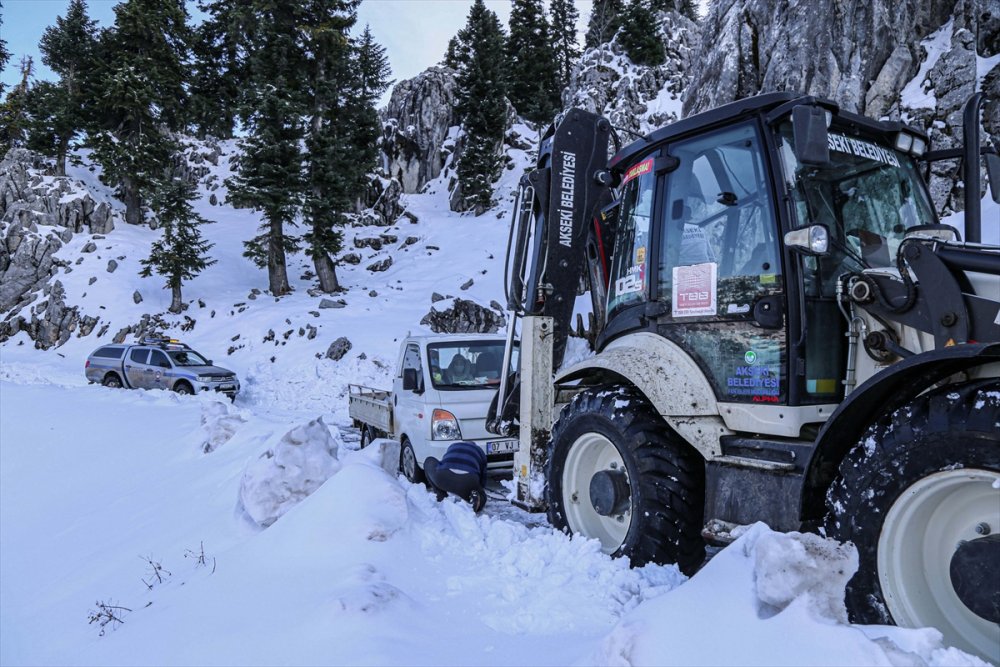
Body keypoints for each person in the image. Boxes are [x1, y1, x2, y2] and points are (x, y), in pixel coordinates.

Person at [424, 441, 488, 512]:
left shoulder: (452, 446)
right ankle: (477, 500)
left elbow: (443, 462)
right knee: (482, 495)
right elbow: (483, 477)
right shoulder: (479, 451)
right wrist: (478, 489)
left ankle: (440, 494)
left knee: (428, 460)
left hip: (444, 476)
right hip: (468, 480)